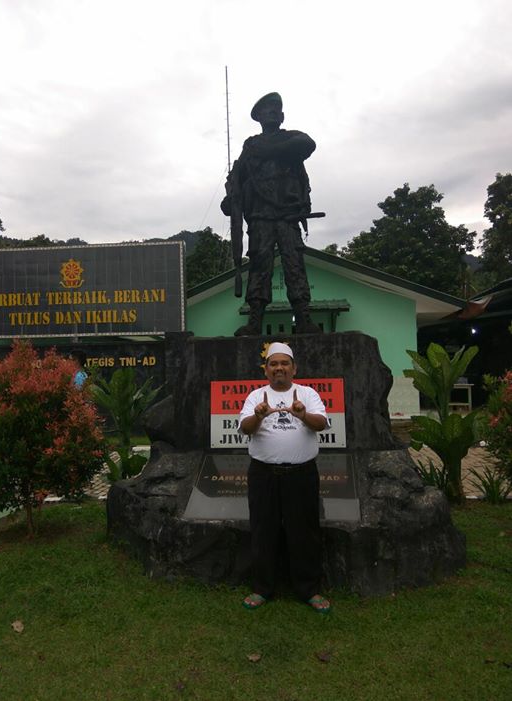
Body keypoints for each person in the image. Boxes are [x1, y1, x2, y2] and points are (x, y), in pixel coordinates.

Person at [239, 341, 330, 612]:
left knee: (305, 532)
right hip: (263, 475)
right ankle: (262, 588)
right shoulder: (256, 396)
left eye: (284, 363)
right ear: (266, 370)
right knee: (262, 531)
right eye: (273, 364)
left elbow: (322, 424)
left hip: (301, 475)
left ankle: (308, 590)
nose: (279, 368)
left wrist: (302, 415)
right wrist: (258, 415)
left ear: (294, 368)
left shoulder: (308, 394)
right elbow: (245, 429)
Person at [221, 92, 322, 336]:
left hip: (287, 216)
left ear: (283, 115)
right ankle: (255, 320)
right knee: (259, 266)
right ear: (259, 118)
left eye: (276, 109)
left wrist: (271, 150)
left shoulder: (292, 140)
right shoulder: (251, 147)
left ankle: (304, 317)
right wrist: (231, 200)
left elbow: (308, 143)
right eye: (268, 110)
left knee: (294, 264)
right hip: (260, 217)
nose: (273, 113)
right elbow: (239, 178)